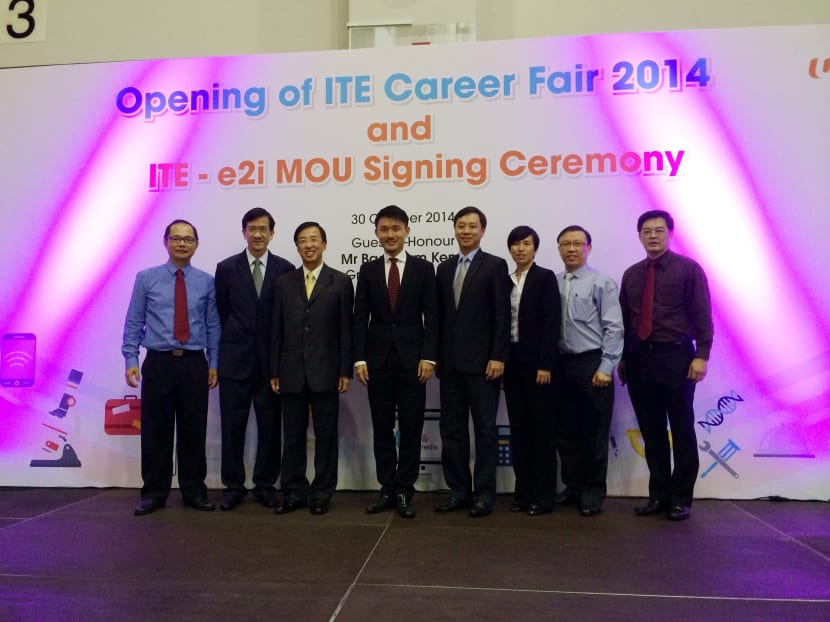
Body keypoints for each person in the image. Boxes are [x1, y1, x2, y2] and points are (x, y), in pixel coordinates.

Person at [618, 209, 713, 522]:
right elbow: (626, 321)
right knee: (652, 431)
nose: (653, 236)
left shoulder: (688, 270)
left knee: (682, 428)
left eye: (659, 230)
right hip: (639, 358)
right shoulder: (632, 274)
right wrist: (623, 358)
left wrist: (702, 355)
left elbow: (702, 316)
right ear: (640, 236)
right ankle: (658, 495)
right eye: (647, 231)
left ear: (670, 233)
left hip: (676, 357)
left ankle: (681, 498)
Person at [122, 219, 221, 516]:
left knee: (193, 430)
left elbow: (213, 325)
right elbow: (133, 322)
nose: (182, 243)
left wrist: (213, 362)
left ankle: (194, 492)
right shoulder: (146, 278)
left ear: (196, 244)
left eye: (188, 239)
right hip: (158, 362)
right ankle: (153, 493)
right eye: (176, 238)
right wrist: (130, 359)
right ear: (165, 242)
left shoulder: (206, 281)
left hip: (193, 363)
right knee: (155, 430)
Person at [353, 205, 439, 519]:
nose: (390, 235)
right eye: (384, 229)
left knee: (413, 427)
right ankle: (386, 486)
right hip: (376, 362)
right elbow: (360, 317)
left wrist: (429, 357)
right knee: (382, 427)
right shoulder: (368, 270)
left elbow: (433, 315)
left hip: (413, 362)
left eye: (396, 229)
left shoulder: (423, 269)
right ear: (376, 233)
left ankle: (405, 488)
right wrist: (359, 358)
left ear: (406, 231)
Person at [270, 222, 353, 516]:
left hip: (327, 370)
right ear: (297, 247)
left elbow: (346, 330)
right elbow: (276, 329)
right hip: (290, 370)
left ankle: (321, 492)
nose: (309, 245)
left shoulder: (340, 282)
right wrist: (274, 370)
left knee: (326, 435)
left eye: (314, 239)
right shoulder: (284, 282)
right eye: (303, 240)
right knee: (292, 435)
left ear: (324, 244)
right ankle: (294, 491)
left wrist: (345, 370)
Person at [214, 208, 294, 511]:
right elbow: (222, 313)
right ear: (244, 232)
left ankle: (264, 484)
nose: (258, 234)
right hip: (235, 362)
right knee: (232, 427)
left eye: (263, 229)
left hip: (271, 366)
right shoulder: (226, 268)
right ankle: (233, 486)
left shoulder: (285, 269)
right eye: (252, 229)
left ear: (272, 233)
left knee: (271, 428)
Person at [434, 206, 510, 518]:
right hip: (449, 365)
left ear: (482, 231)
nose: (466, 231)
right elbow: (438, 318)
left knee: (484, 430)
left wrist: (497, 356)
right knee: (452, 430)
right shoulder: (444, 267)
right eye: (461, 226)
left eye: (472, 226)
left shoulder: (494, 265)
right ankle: (459, 491)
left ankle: (484, 494)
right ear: (454, 229)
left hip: (483, 366)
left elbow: (502, 317)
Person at [555, 225, 623, 517]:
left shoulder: (601, 282)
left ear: (588, 248)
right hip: (560, 364)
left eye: (577, 244)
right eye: (565, 244)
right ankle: (572, 486)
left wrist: (607, 366)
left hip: (592, 363)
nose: (571, 249)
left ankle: (593, 492)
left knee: (594, 432)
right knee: (565, 430)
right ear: (558, 248)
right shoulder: (553, 282)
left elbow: (614, 327)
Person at [503, 226, 560, 516]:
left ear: (535, 248)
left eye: (526, 244)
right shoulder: (505, 279)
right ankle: (523, 492)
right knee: (519, 430)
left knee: (542, 431)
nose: (521, 249)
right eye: (515, 244)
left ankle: (544, 496)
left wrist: (546, 364)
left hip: (539, 366)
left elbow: (552, 324)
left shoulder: (545, 277)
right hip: (512, 363)